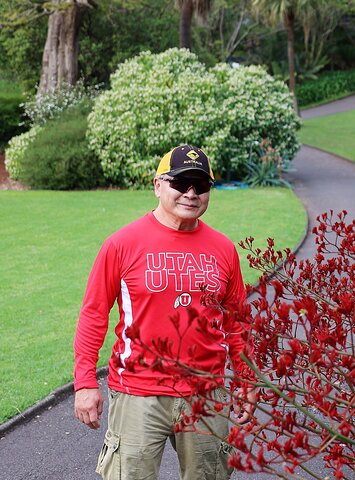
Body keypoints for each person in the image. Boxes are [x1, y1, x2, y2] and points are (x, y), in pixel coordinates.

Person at [73, 144, 257, 480]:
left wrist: (246, 378)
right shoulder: (122, 244)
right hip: (138, 393)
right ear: (158, 185)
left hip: (206, 392)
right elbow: (94, 314)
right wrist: (85, 382)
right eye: (180, 182)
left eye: (200, 186)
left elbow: (237, 321)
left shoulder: (224, 249)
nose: (190, 193)